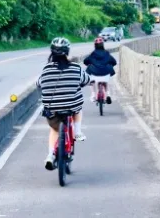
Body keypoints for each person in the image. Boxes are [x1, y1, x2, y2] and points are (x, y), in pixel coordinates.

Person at [37, 37, 89, 170]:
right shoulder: (76, 68)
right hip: (71, 107)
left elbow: (39, 84)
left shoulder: (46, 69)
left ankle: (50, 155)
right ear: (67, 52)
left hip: (52, 110)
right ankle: (77, 131)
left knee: (54, 130)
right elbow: (86, 80)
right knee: (78, 109)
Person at [83, 36, 117, 104]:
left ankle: (93, 94)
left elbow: (85, 61)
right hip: (105, 74)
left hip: (94, 74)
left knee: (91, 81)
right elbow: (114, 62)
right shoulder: (107, 53)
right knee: (106, 82)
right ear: (102, 45)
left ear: (95, 45)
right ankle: (108, 94)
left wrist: (90, 63)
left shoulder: (92, 54)